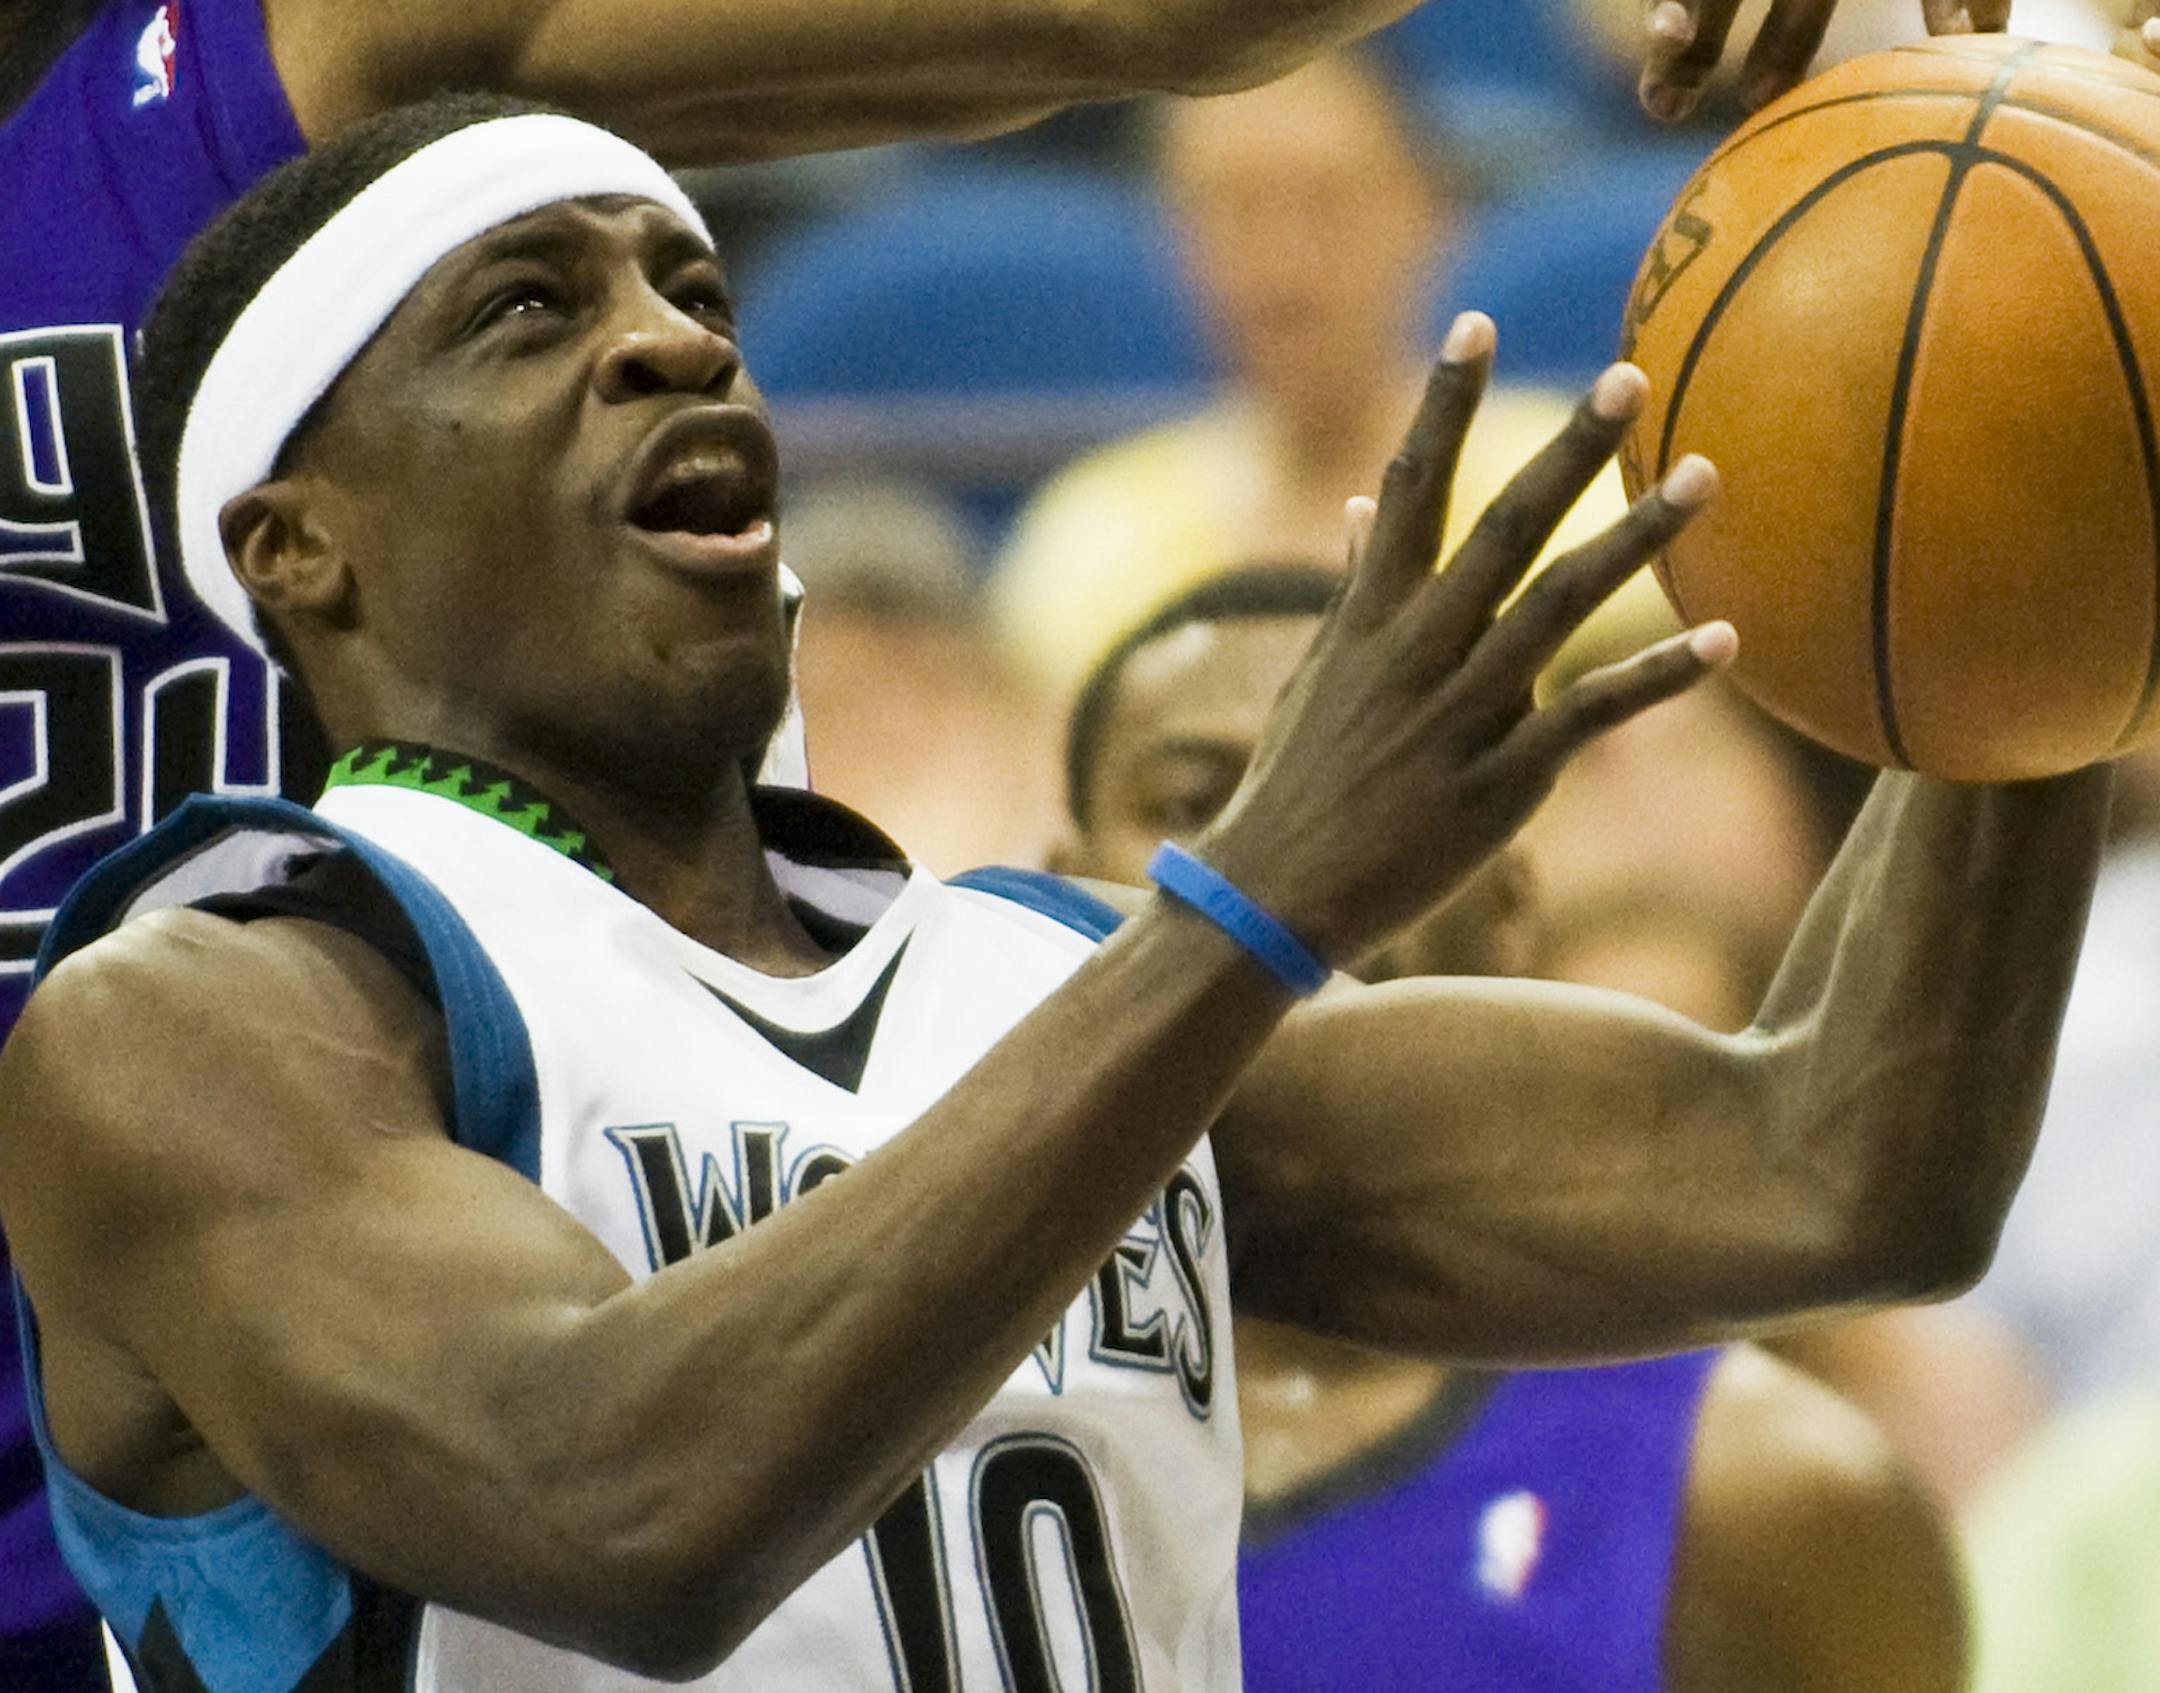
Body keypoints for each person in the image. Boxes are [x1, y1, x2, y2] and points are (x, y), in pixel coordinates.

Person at [0, 95, 2107, 1689]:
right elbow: (615, 1501)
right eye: (534, 309)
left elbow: (1843, 1165)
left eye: (694, 292)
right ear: (302, 546)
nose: (669, 343)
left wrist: (2047, 504)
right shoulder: (214, 1021)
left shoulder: (1042, 984)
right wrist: (1257, 902)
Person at [1048, 564, 1968, 1693]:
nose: (1287, 870)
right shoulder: (894, 1411)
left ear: (1511, 906)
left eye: (1372, 802)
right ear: (1056, 888)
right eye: (1197, 804)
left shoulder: (1767, 1488)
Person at [987, 48, 1664, 704]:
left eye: (1328, 203)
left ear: (1431, 213)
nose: (1284, 264)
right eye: (1235, 209)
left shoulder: (1580, 500)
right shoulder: (1084, 544)